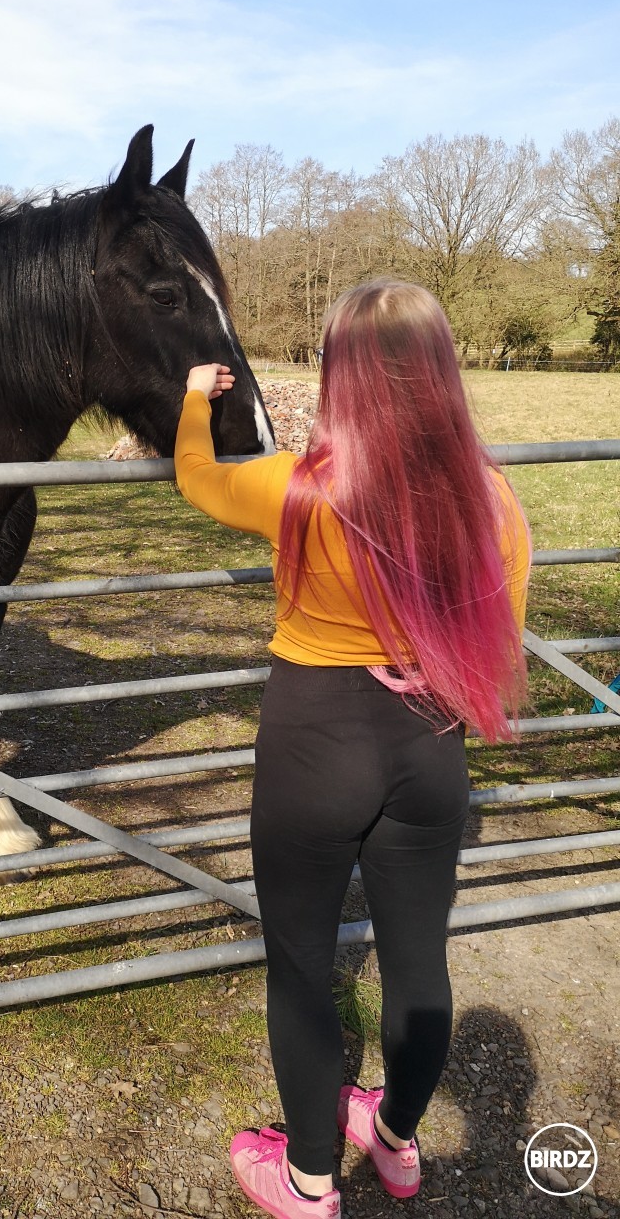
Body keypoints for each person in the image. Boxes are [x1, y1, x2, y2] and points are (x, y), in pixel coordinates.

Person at [174, 280, 531, 1219]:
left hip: (312, 743)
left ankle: (308, 1181)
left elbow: (198, 477)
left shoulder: (297, 488)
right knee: (420, 961)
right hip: (430, 742)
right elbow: (500, 643)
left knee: (300, 963)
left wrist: (193, 399)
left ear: (341, 376)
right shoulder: (493, 498)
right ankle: (399, 1143)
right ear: (443, 373)